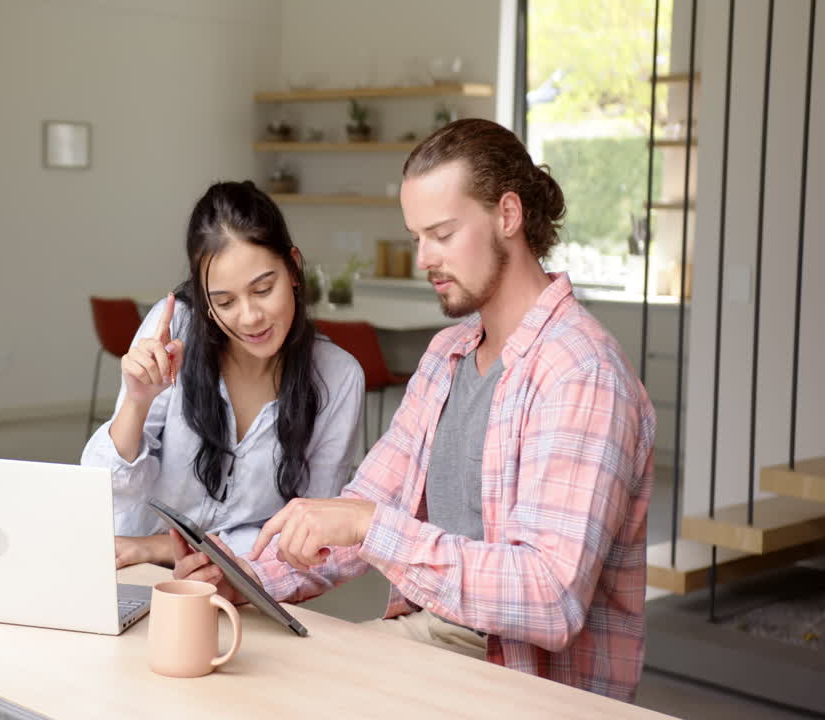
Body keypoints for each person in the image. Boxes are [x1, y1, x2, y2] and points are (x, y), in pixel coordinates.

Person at [172, 119, 655, 701]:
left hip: (526, 679)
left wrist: (375, 528)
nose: (424, 258)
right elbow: (361, 508)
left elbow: (549, 599)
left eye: (443, 234)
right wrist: (243, 576)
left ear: (508, 215)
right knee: (247, 686)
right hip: (432, 639)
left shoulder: (581, 372)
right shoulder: (447, 355)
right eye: (416, 237)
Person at [82, 181, 364, 569]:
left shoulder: (338, 377)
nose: (250, 317)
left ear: (294, 269)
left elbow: (314, 535)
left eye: (263, 289)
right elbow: (105, 493)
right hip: (134, 570)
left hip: (245, 585)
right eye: (225, 302)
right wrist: (137, 401)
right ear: (204, 302)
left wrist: (158, 548)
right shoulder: (173, 333)